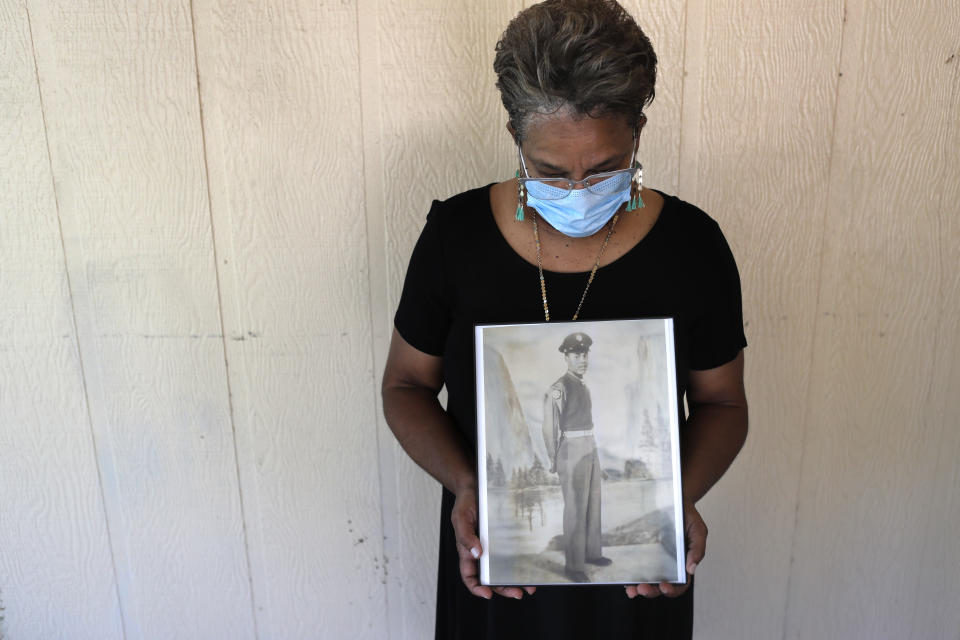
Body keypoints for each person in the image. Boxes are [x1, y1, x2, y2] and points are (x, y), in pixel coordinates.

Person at [381, 0, 748, 637]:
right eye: (550, 171)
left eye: (605, 169)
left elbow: (723, 404)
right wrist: (468, 485)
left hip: (639, 591)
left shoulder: (694, 246)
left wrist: (673, 500)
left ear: (637, 132)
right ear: (515, 138)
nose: (577, 191)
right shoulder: (456, 237)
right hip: (498, 576)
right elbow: (404, 387)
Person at [542, 332, 611, 583]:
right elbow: (549, 428)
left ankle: (592, 553)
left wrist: (596, 456)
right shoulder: (558, 389)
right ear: (566, 357)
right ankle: (573, 566)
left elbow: (589, 425)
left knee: (593, 503)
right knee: (575, 508)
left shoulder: (584, 386)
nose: (582, 359)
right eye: (576, 355)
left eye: (585, 354)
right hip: (570, 449)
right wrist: (553, 458)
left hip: (589, 447)